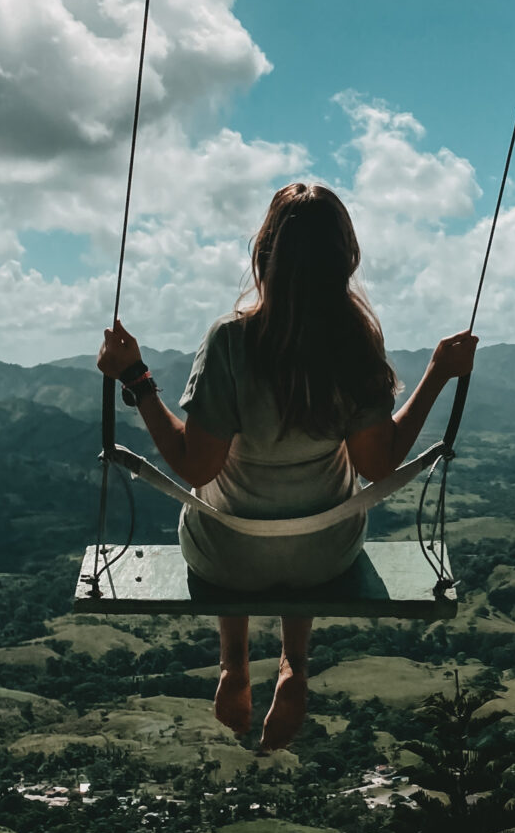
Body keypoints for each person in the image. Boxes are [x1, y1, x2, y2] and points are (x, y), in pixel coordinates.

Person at [97, 182, 476, 751]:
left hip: (227, 558)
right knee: (321, 495)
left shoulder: (230, 340)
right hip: (324, 557)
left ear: (264, 254)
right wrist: (439, 373)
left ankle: (233, 663)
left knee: (225, 502)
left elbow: (195, 467)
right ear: (345, 260)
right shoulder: (356, 344)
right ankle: (293, 664)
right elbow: (378, 464)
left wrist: (137, 378)